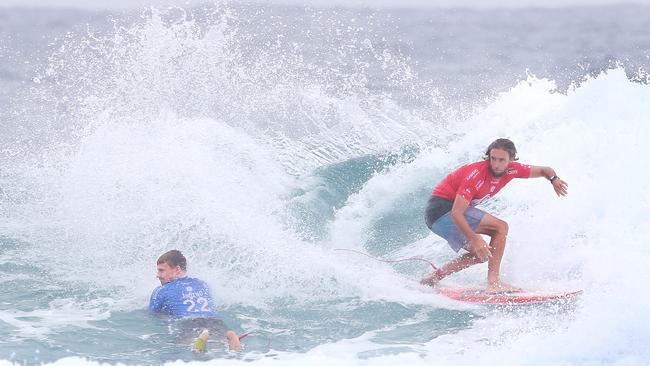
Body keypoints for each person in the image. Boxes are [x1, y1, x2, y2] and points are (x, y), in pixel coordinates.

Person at [421, 138, 568, 293]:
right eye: (493, 159)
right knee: (500, 227)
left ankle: (433, 278)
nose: (496, 164)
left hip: (440, 217)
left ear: (511, 159)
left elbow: (546, 170)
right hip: (441, 210)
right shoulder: (476, 174)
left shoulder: (513, 170)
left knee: (481, 253)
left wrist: (554, 180)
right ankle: (494, 283)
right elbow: (457, 213)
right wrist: (475, 238)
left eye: (501, 160)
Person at [149, 249, 242, 351]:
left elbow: (154, 314)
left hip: (189, 323)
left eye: (161, 270)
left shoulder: (161, 290)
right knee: (220, 342)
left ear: (177, 269)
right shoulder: (202, 284)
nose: (157, 275)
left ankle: (200, 344)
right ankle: (230, 337)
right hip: (214, 321)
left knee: (186, 348)